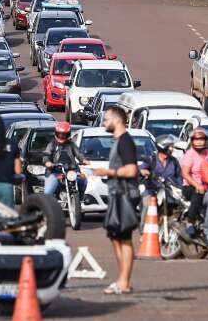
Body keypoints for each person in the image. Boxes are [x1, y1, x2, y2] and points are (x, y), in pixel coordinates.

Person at [93, 106, 140, 295]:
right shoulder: (119, 141)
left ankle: (124, 282)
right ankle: (121, 279)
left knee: (124, 238)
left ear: (117, 120)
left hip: (125, 194)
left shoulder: (125, 142)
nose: (104, 123)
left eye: (106, 119)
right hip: (116, 194)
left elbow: (131, 170)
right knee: (115, 236)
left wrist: (108, 172)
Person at [139, 134, 182, 225]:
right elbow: (140, 169)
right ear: (163, 147)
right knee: (148, 204)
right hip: (152, 191)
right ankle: (144, 231)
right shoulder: (152, 159)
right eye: (170, 147)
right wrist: (143, 171)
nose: (172, 149)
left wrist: (180, 188)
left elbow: (179, 178)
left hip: (169, 192)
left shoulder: (174, 161)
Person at [43, 121, 89, 198]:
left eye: (64, 134)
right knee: (48, 192)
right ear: (56, 133)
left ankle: (80, 200)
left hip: (71, 171)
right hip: (55, 172)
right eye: (60, 134)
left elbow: (78, 154)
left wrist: (83, 160)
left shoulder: (71, 145)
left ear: (68, 134)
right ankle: (48, 206)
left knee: (83, 180)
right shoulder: (52, 144)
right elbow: (46, 154)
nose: (62, 136)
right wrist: (47, 162)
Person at [180, 127, 208, 240]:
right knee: (198, 194)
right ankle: (190, 221)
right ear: (192, 141)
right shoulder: (190, 154)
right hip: (190, 186)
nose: (199, 142)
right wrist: (197, 185)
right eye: (196, 139)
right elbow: (185, 174)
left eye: (202, 139)